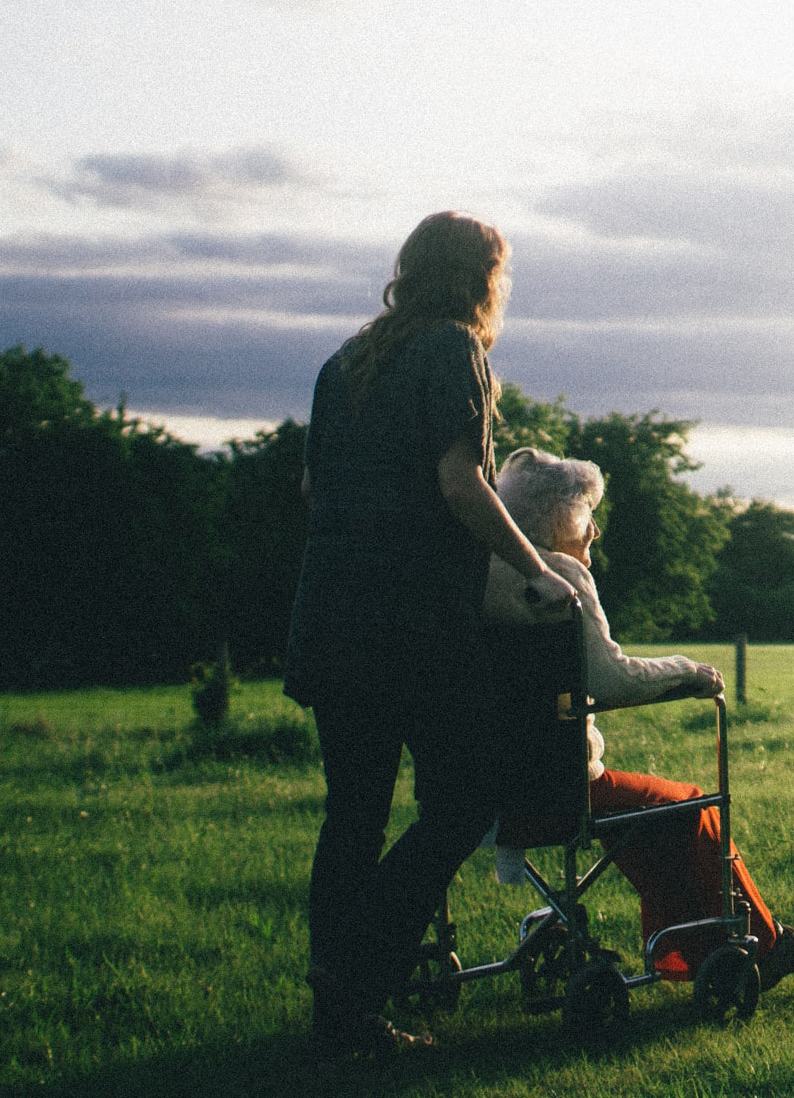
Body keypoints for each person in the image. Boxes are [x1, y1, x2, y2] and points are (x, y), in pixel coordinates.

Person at [284, 212, 576, 1057]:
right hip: (408, 626)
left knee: (354, 815)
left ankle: (338, 1012)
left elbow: (315, 485)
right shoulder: (453, 351)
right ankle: (358, 977)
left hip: (329, 615)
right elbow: (461, 482)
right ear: (482, 277)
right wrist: (535, 569)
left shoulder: (344, 362)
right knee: (463, 800)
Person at [482, 447, 794, 990]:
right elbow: (612, 679)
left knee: (649, 815)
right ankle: (762, 944)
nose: (594, 529)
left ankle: (687, 954)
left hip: (488, 789)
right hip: (558, 788)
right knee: (690, 805)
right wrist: (686, 671)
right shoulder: (559, 577)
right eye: (586, 513)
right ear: (555, 518)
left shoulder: (484, 575)